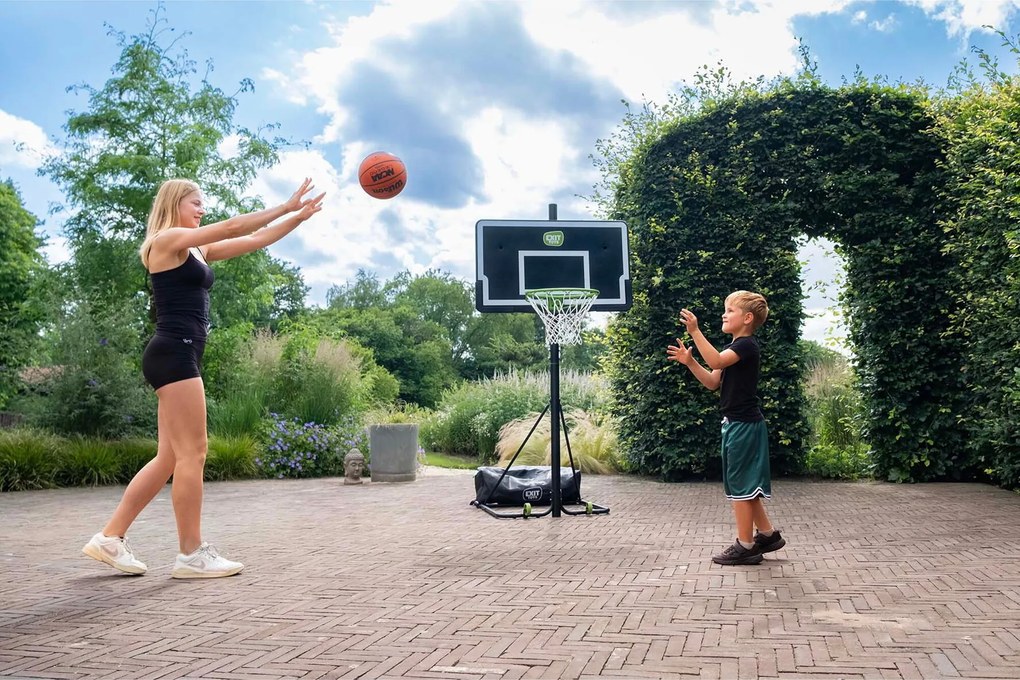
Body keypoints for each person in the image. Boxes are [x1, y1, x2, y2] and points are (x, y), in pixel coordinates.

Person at [82, 177, 325, 578]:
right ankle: (191, 554)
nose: (202, 209)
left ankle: (110, 538)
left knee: (169, 458)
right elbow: (232, 226)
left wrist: (297, 218)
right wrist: (284, 205)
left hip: (179, 354)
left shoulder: (196, 247)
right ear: (175, 203)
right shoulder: (166, 241)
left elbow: (254, 239)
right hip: (174, 353)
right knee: (194, 453)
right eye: (195, 203)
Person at [666, 291, 787, 566]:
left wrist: (695, 331)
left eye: (730, 310)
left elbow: (716, 361)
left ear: (747, 318)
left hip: (744, 425)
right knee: (745, 486)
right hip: (736, 424)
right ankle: (767, 535)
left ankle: (746, 546)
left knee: (741, 487)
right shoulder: (734, 347)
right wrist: (690, 361)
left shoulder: (746, 345)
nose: (724, 314)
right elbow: (712, 381)